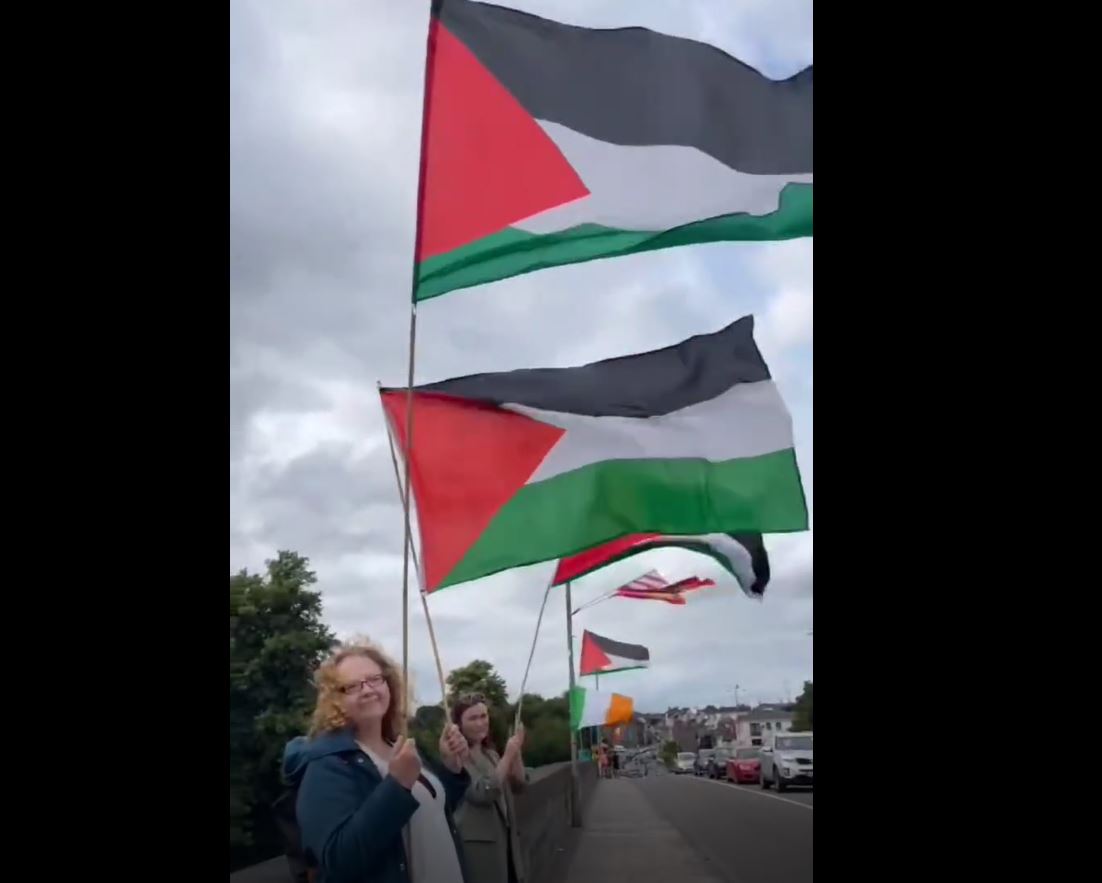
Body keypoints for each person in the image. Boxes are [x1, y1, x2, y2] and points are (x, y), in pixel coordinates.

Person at [286, 641, 472, 883]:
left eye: (375, 679)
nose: (367, 690)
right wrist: (396, 786)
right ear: (335, 699)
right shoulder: (327, 763)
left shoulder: (399, 745)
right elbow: (338, 860)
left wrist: (451, 769)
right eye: (351, 686)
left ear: (389, 685)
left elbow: (430, 813)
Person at [451, 693, 528, 883]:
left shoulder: (491, 754)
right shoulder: (457, 758)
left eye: (483, 716)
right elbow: (483, 792)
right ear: (459, 724)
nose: (480, 723)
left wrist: (516, 753)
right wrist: (508, 755)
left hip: (506, 845)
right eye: (473, 718)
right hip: (480, 851)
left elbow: (519, 785)